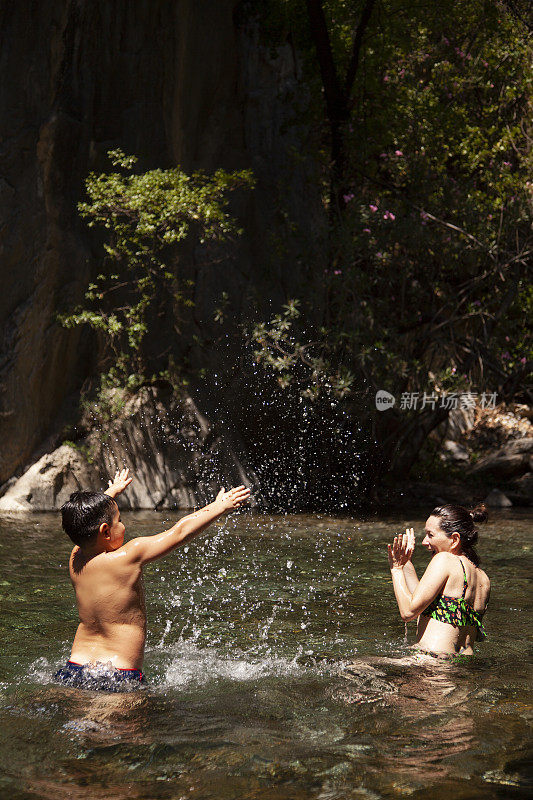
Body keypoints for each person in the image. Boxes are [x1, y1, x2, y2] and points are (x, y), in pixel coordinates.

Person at [54, 468, 250, 690]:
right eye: (120, 520)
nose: (124, 526)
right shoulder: (128, 556)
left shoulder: (75, 558)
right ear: (106, 531)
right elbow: (179, 532)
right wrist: (219, 506)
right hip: (119, 674)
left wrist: (111, 493)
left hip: (74, 668)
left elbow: (84, 523)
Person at [387, 504, 490, 657]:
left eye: (430, 535)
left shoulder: (445, 559)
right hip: (459, 666)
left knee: (353, 667)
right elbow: (424, 606)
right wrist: (405, 563)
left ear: (454, 539)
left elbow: (408, 612)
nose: (424, 542)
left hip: (430, 663)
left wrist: (395, 569)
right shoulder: (483, 578)